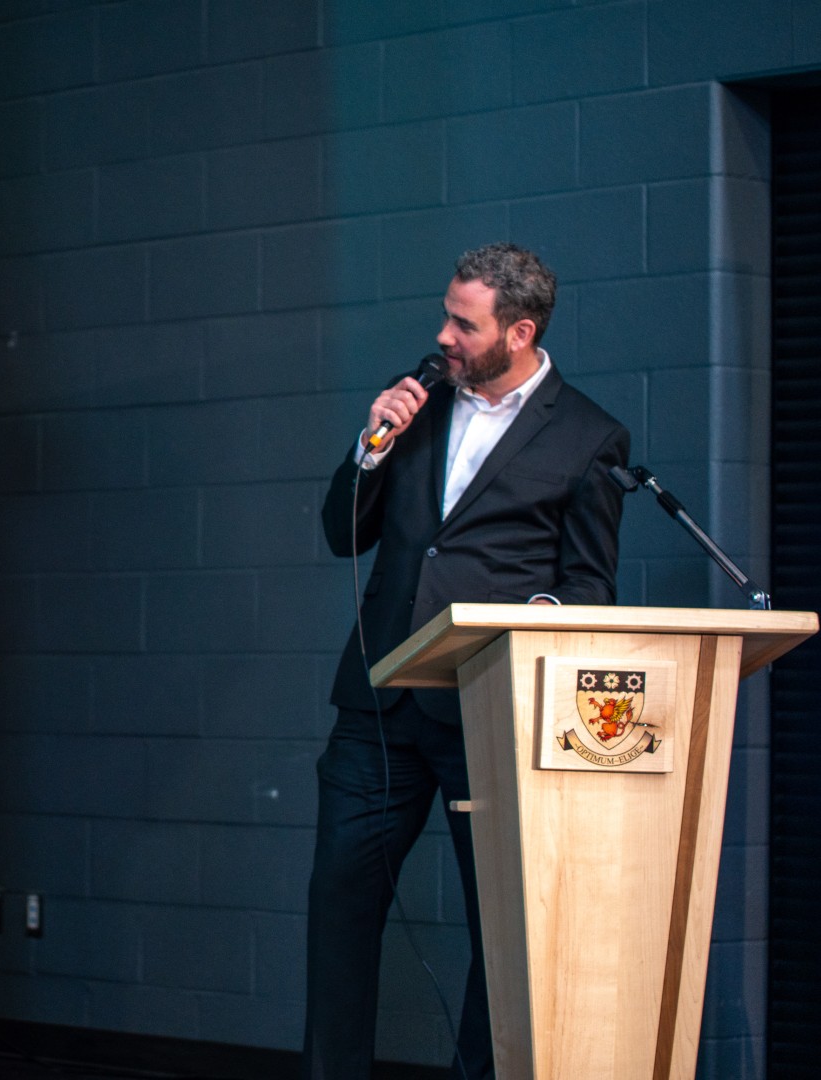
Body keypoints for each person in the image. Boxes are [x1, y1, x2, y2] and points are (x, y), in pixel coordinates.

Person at [302, 243, 629, 1079]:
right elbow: (342, 533)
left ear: (519, 332)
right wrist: (371, 448)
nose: (443, 336)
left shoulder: (587, 435)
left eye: (463, 324)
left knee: (502, 924)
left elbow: (588, 585)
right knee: (338, 909)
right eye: (445, 315)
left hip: (485, 709)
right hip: (377, 704)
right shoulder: (415, 404)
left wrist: (528, 622)